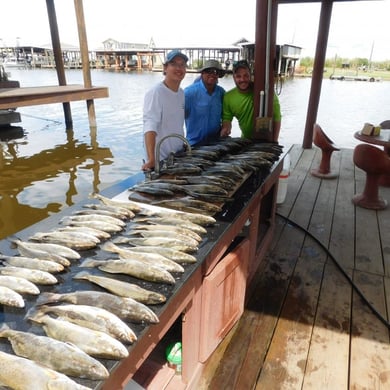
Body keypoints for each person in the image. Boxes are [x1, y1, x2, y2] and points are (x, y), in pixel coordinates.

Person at [141, 50, 188, 171]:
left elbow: (176, 123)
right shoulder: (156, 93)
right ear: (165, 68)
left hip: (177, 156)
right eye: (173, 64)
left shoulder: (181, 93)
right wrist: (152, 159)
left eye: (182, 65)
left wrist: (181, 143)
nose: (179, 68)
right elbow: (150, 126)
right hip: (160, 161)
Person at [221, 60, 281, 142]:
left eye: (246, 75)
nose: (242, 79)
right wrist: (226, 129)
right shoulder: (228, 97)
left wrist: (274, 141)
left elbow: (277, 116)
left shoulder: (266, 91)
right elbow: (227, 118)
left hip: (267, 140)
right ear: (233, 77)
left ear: (251, 75)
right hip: (245, 140)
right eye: (238, 76)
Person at [184, 59, 226, 146]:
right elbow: (177, 117)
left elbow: (226, 115)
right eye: (208, 71)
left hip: (216, 143)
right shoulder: (189, 93)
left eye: (215, 72)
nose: (212, 74)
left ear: (218, 75)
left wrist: (226, 127)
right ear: (202, 73)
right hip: (194, 144)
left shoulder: (221, 92)